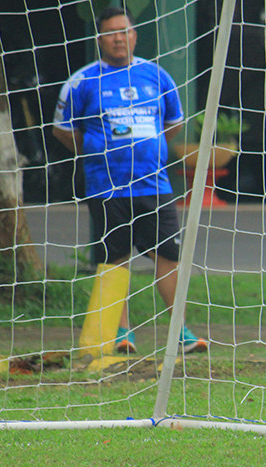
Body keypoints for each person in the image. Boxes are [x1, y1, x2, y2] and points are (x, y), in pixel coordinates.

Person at [52, 7, 207, 354]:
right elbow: (63, 130)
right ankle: (122, 334)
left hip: (155, 185)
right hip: (106, 187)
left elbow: (173, 123)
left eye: (124, 31)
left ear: (135, 35)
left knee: (168, 256)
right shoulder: (82, 81)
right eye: (111, 32)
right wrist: (98, 150)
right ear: (99, 39)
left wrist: (146, 147)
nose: (119, 37)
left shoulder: (157, 76)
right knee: (115, 258)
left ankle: (180, 331)